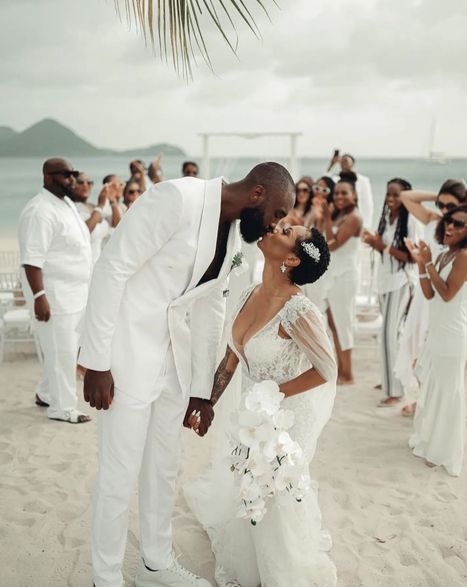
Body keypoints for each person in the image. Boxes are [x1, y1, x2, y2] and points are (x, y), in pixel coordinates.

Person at [78, 163, 295, 587]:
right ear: (257, 194)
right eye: (277, 213)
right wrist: (97, 361)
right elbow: (112, 268)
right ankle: (104, 578)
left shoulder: (234, 234)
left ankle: (155, 565)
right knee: (119, 473)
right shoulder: (176, 198)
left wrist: (201, 391)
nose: (276, 224)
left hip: (174, 365)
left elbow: (210, 307)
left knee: (163, 468)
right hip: (125, 356)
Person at [184, 221, 337, 587]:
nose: (275, 226)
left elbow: (327, 369)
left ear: (292, 259)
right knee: (248, 487)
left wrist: (276, 393)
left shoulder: (298, 311)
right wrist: (206, 403)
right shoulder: (249, 294)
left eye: (286, 231)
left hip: (285, 419)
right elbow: (232, 358)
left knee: (275, 493)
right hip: (251, 415)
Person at [17, 158, 92, 423]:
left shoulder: (65, 203)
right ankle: (63, 408)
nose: (72, 179)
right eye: (66, 175)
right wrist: (40, 297)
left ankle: (46, 393)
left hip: (75, 293)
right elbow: (32, 259)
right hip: (54, 295)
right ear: (48, 177)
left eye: (74, 174)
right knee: (64, 352)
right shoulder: (40, 211)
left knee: (63, 348)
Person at [406, 205, 467, 475]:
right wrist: (422, 263)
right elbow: (429, 293)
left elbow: (447, 294)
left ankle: (445, 450)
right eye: (449, 221)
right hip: (437, 331)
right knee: (433, 390)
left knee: (449, 393)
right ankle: (431, 441)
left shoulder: (466, 256)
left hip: (453, 334)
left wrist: (429, 262)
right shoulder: (447, 254)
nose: (450, 227)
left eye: (458, 224)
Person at [395, 180, 467, 416]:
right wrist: (439, 196)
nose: (445, 211)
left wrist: (465, 197)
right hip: (425, 291)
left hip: (444, 298)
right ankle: (419, 399)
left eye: (451, 207)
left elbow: (449, 290)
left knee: (431, 350)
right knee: (416, 347)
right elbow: (406, 196)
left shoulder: (462, 233)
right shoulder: (434, 220)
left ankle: (427, 404)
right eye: (442, 205)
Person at [363, 178, 420, 406]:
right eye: (388, 194)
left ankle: (396, 392)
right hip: (384, 281)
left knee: (388, 333)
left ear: (407, 196)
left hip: (401, 281)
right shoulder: (387, 217)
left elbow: (412, 257)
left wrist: (382, 246)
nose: (390, 199)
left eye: (396, 195)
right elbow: (383, 249)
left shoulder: (412, 221)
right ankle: (391, 378)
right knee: (393, 336)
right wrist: (374, 241)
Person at [322, 172, 362, 384]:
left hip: (345, 277)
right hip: (334, 276)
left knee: (343, 323)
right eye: (336, 193)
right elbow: (330, 238)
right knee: (334, 323)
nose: (339, 197)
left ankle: (349, 373)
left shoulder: (354, 217)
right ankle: (340, 368)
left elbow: (334, 243)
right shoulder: (340, 215)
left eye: (344, 193)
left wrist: (326, 218)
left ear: (354, 195)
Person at [72, 172, 111, 264]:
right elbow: (84, 231)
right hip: (83, 264)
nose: (85, 186)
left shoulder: (93, 206)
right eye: (81, 182)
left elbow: (113, 229)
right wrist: (100, 206)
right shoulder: (72, 208)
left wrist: (111, 200)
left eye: (89, 183)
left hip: (100, 264)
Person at [328, 152, 374, 229]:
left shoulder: (363, 180)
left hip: (356, 219)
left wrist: (366, 226)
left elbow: (368, 204)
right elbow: (324, 182)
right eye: (342, 161)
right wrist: (331, 164)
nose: (344, 163)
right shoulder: (336, 179)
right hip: (339, 219)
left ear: (353, 164)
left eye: (346, 160)